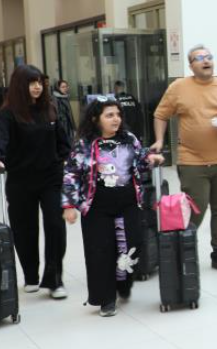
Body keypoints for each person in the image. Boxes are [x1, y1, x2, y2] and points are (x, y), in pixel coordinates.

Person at [61, 99, 164, 317]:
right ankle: (106, 299)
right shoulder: (84, 145)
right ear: (95, 119)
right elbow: (71, 174)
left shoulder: (129, 139)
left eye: (118, 114)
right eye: (109, 115)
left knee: (133, 244)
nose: (116, 119)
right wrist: (69, 205)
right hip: (96, 207)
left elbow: (140, 161)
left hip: (128, 203)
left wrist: (151, 158)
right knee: (101, 252)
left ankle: (122, 281)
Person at [152, 45, 217, 273]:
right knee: (196, 208)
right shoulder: (178, 88)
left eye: (209, 57)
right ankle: (185, 249)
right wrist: (159, 141)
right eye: (199, 58)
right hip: (192, 161)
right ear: (190, 65)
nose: (206, 61)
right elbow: (160, 114)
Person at [0, 64, 72, 299]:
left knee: (55, 225)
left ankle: (54, 279)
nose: (37, 87)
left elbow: (62, 141)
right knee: (25, 229)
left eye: (40, 82)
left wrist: (67, 158)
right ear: (20, 85)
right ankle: (31, 275)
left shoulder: (49, 109)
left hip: (50, 177)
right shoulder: (8, 113)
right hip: (20, 179)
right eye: (31, 82)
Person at [52, 79, 76, 145]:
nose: (65, 88)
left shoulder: (64, 97)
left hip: (68, 125)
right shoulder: (55, 99)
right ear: (58, 88)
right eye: (63, 87)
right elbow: (56, 114)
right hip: (62, 126)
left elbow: (70, 114)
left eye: (66, 86)